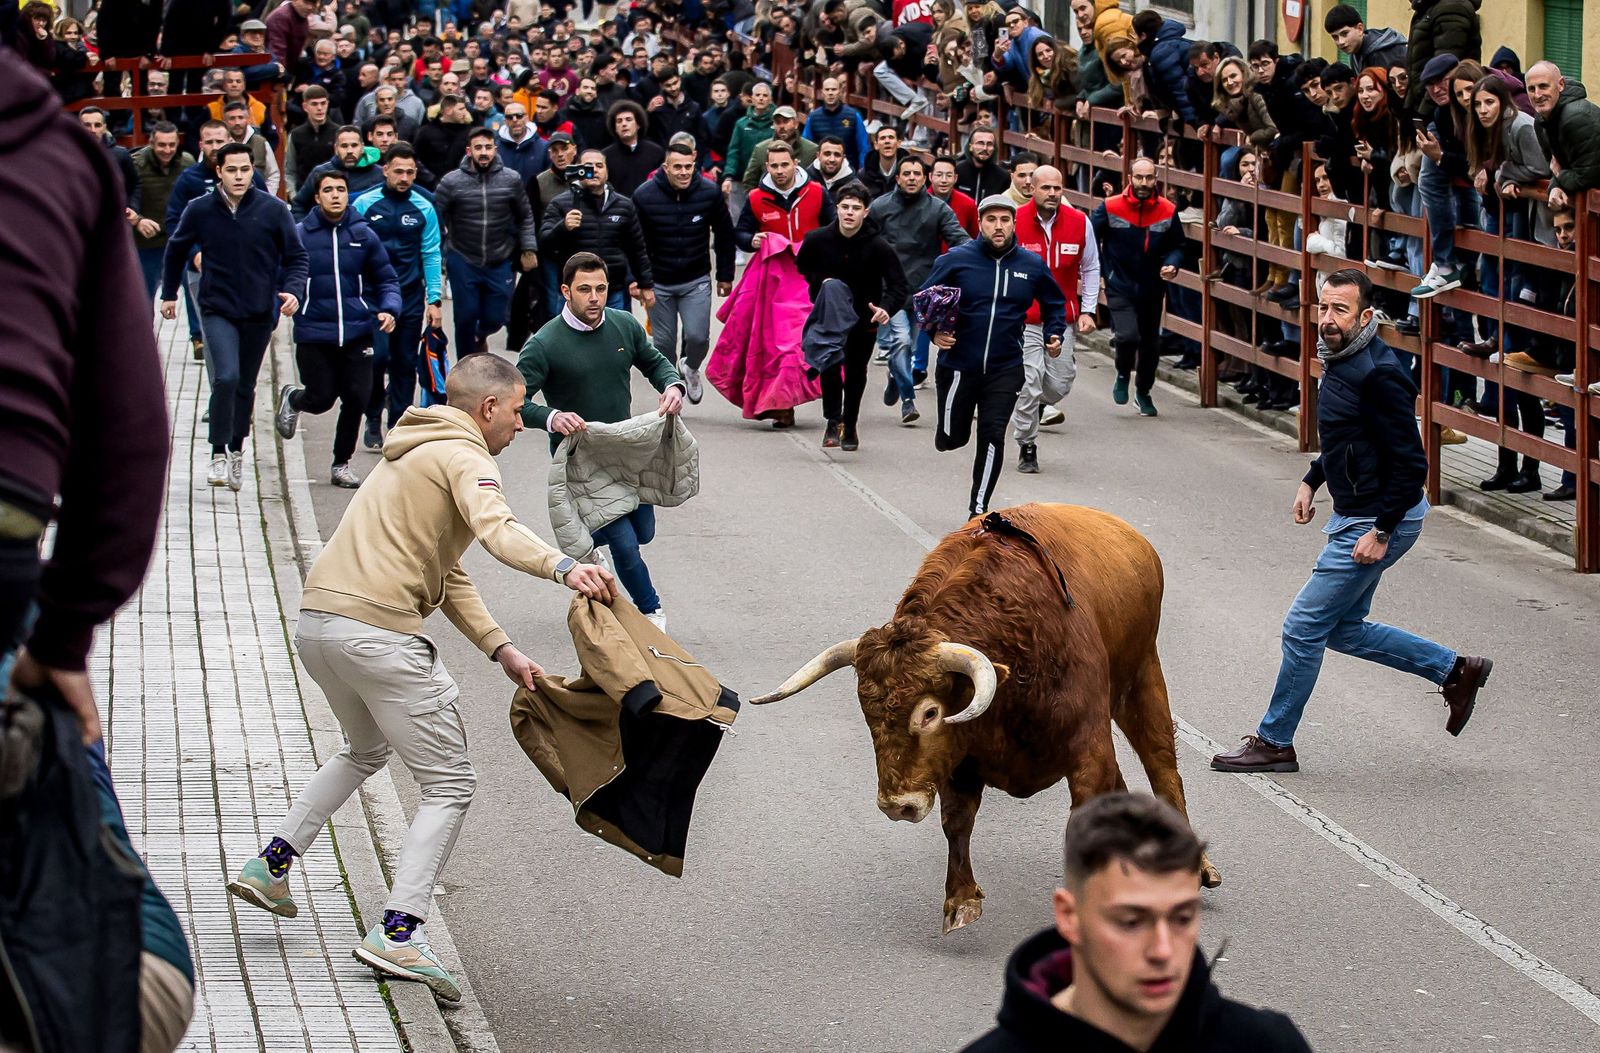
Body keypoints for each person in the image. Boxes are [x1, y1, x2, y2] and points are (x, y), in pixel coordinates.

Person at [230, 353, 616, 999]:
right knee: (450, 783)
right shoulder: (466, 457)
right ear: (488, 408)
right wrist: (564, 566)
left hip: (319, 627)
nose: (521, 423)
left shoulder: (410, 451)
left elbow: (448, 571)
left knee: (363, 750)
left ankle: (271, 866)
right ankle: (400, 932)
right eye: (516, 410)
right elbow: (498, 529)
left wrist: (501, 649)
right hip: (378, 635)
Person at [1, 50, 194, 1053]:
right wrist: (64, 637)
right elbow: (131, 440)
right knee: (142, 977)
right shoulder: (52, 154)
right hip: (7, 552)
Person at [1211, 270, 1493, 773]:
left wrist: (1381, 531)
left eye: (1340, 310)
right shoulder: (1340, 360)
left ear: (1365, 317)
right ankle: (1454, 670)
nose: (1327, 319)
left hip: (1378, 519)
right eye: (1323, 307)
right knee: (1342, 630)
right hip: (1357, 513)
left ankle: (1275, 742)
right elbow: (1349, 437)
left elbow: (1412, 464)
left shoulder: (1379, 374)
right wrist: (1312, 479)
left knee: (1303, 627)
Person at [961, 792, 1312, 1052]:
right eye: (1131, 922)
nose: (1162, 951)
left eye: (1182, 918)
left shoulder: (1267, 1044)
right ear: (1069, 916)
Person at [517, 252, 685, 629]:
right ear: (566, 291)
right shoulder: (544, 343)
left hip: (625, 452)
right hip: (582, 462)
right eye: (584, 289)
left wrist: (673, 385)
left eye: (601, 288)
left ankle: (590, 542)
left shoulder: (624, 324)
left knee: (643, 532)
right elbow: (517, 402)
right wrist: (552, 417)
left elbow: (654, 362)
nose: (594, 298)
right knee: (625, 542)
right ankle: (650, 612)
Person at [161, 143, 309, 493]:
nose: (239, 176)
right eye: (232, 170)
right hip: (217, 307)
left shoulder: (273, 210)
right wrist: (169, 294)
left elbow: (296, 257)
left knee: (245, 384)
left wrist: (293, 291)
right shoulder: (201, 209)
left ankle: (237, 450)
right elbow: (176, 248)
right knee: (225, 377)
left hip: (260, 310)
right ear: (219, 172)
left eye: (245, 169)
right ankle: (217, 452)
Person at [922, 195, 1068, 517]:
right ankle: (949, 432)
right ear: (980, 223)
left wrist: (1054, 333)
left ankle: (978, 511)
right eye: (991, 220)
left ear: (1014, 223)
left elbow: (1054, 303)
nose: (998, 226)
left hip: (1006, 367)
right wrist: (933, 332)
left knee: (992, 435)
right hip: (959, 366)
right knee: (952, 438)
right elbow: (924, 299)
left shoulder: (1031, 265)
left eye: (1004, 220)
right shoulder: (956, 260)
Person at [274, 169, 402, 488]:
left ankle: (341, 463)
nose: (335, 195)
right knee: (321, 398)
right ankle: (294, 399)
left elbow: (386, 278)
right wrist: (287, 298)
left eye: (341, 190)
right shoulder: (300, 235)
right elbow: (280, 275)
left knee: (357, 396)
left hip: (358, 331)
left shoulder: (363, 235)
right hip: (314, 332)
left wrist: (389, 308)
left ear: (348, 195)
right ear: (317, 197)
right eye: (328, 190)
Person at [796, 182, 909, 451]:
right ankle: (833, 420)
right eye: (845, 207)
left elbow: (899, 285)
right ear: (836, 208)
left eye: (856, 208)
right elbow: (802, 266)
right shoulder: (817, 239)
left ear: (865, 212)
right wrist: (820, 283)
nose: (849, 212)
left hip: (863, 318)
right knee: (829, 365)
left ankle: (851, 423)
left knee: (856, 372)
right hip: (829, 316)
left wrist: (885, 308)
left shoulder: (878, 246)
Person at [353, 145, 445, 448]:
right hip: (372, 296)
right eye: (398, 171)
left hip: (409, 295)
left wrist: (434, 300)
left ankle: (397, 425)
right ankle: (372, 414)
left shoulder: (424, 207)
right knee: (376, 359)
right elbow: (352, 249)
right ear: (385, 170)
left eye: (410, 172)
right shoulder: (365, 204)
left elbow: (431, 253)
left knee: (405, 363)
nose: (404, 178)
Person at [1010, 165, 1099, 475]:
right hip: (1025, 318)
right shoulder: (1014, 220)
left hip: (1061, 319)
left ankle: (1032, 405)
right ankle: (1027, 444)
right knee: (1030, 379)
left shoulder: (1079, 222)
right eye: (1045, 188)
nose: (1052, 193)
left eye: (1057, 188)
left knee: (1060, 383)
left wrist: (1088, 310)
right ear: (1032, 189)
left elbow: (1091, 268)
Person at [631, 140, 735, 404]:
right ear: (665, 168)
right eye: (677, 167)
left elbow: (724, 234)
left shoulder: (708, 192)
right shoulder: (644, 195)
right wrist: (636, 280)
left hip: (695, 278)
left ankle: (690, 367)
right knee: (664, 345)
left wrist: (725, 275)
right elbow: (633, 241)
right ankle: (672, 391)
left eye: (688, 167)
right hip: (658, 282)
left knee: (698, 337)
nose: (683, 172)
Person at [869, 155, 970, 422]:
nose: (912, 178)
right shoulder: (880, 207)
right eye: (907, 173)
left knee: (911, 348)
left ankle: (895, 375)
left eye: (917, 174)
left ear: (925, 179)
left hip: (925, 291)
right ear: (898, 178)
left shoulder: (938, 208)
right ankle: (908, 401)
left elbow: (958, 238)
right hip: (890, 291)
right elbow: (864, 240)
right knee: (901, 341)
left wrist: (976, 256)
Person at [1089, 157, 1182, 417]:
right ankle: (1122, 373)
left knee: (1151, 343)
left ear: (1156, 179)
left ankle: (1143, 392)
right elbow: (1090, 237)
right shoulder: (1110, 206)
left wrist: (1172, 264)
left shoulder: (1167, 210)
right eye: (1139, 177)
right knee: (1128, 336)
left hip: (1153, 285)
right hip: (1119, 282)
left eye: (1149, 177)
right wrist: (1100, 271)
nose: (1143, 182)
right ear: (1129, 178)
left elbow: (1178, 245)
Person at [434, 127, 539, 356]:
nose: (483, 152)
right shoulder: (451, 182)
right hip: (462, 256)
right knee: (465, 316)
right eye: (478, 147)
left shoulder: (511, 179)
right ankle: (465, 366)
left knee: (496, 317)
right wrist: (439, 250)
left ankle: (480, 335)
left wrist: (529, 247)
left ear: (495, 149)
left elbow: (525, 216)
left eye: (488, 147)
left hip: (500, 256)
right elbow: (435, 217)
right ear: (469, 151)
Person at [539, 149, 653, 311]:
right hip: (575, 290)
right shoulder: (560, 203)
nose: (594, 170)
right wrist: (563, 227)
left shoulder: (624, 205)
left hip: (613, 289)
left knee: (617, 328)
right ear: (579, 170)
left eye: (599, 166)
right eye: (588, 166)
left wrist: (645, 284)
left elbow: (637, 249)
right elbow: (544, 243)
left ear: (607, 172)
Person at [128, 122, 194, 306]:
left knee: (193, 291)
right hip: (147, 243)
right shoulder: (136, 165)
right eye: (162, 145)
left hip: (179, 240)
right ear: (151, 143)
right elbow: (122, 200)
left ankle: (196, 327)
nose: (167, 150)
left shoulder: (187, 163)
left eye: (172, 145)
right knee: (144, 297)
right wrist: (138, 220)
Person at [735, 141, 837, 251]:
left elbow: (835, 226)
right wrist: (751, 240)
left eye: (785, 165)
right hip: (775, 260)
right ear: (767, 167)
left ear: (795, 163)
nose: (779, 171)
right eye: (774, 166)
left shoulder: (817, 191)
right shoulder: (755, 198)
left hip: (811, 258)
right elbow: (740, 233)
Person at [292, 125, 385, 219]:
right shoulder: (320, 172)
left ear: (362, 147)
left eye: (354, 145)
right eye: (344, 146)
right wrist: (305, 226)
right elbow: (299, 205)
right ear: (336, 149)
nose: (349, 151)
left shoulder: (379, 174)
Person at [601, 99, 666, 194]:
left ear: (638, 124)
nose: (624, 124)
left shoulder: (656, 152)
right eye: (619, 121)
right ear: (615, 128)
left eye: (628, 120)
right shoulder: (606, 156)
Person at [802, 76, 869, 167]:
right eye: (827, 90)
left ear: (840, 92)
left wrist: (862, 169)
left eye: (834, 89)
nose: (830, 93)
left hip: (849, 169)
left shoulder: (853, 116)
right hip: (821, 170)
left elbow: (863, 146)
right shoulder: (813, 118)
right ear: (822, 92)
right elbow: (807, 147)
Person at [1323, 3, 1408, 73]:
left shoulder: (1380, 53)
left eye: (1345, 34)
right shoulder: (1354, 52)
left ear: (1360, 29)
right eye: (1335, 37)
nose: (1341, 42)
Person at [287, 84, 339, 195]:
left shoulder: (339, 133)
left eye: (323, 103)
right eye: (314, 104)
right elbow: (289, 171)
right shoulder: (296, 135)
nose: (319, 108)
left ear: (328, 104)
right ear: (305, 107)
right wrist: (294, 195)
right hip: (304, 195)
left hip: (333, 194)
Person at [955, 127, 1010, 201]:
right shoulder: (957, 171)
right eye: (980, 143)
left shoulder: (1002, 176)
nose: (985, 148)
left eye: (989, 144)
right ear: (970, 147)